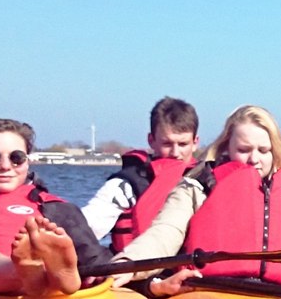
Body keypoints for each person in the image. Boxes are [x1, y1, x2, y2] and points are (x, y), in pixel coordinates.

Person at [110, 105, 281, 296]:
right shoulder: (199, 186)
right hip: (211, 291)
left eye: (264, 150)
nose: (254, 159)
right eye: (244, 150)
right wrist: (127, 263)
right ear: (227, 147)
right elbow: (165, 232)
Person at [0, 119, 111, 296]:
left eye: (16, 158)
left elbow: (96, 261)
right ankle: (23, 271)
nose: (5, 166)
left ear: (27, 162)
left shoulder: (56, 209)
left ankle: (42, 273)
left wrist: (99, 271)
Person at [82, 97, 200, 252]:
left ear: (195, 142)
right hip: (133, 271)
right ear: (151, 140)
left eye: (183, 144)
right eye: (167, 144)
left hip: (193, 271)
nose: (175, 153)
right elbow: (85, 230)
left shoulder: (207, 183)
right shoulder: (127, 185)